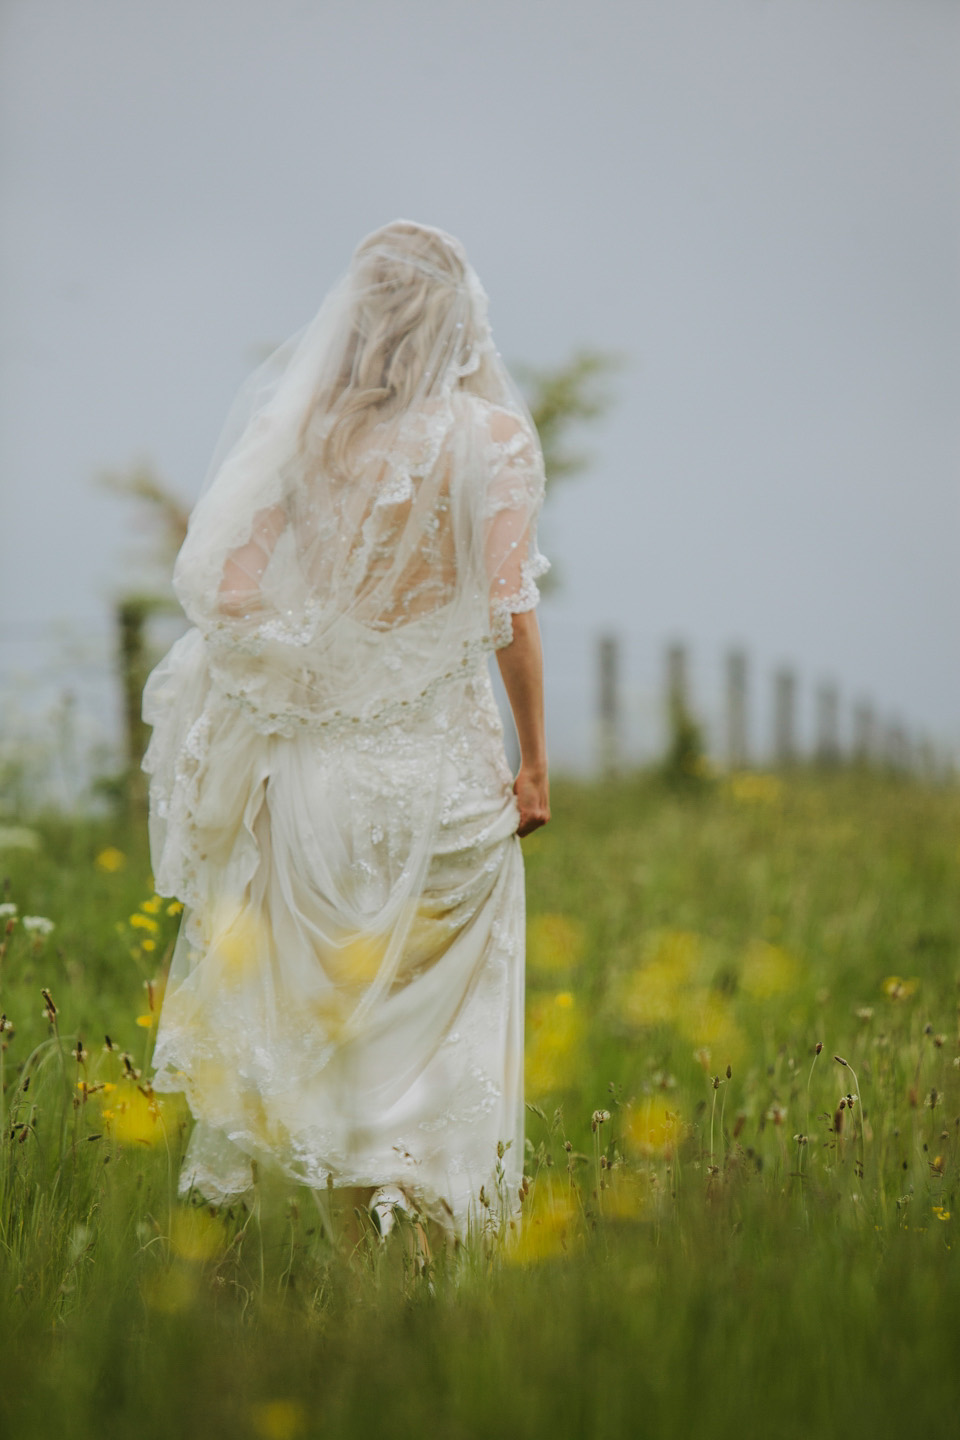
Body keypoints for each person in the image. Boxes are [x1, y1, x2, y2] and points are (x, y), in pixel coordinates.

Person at [140, 219, 551, 1250]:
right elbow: (508, 612)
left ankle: (323, 1244)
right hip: (444, 779)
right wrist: (533, 761)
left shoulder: (309, 433)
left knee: (323, 1020)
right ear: (463, 325)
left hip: (314, 777)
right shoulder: (496, 439)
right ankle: (419, 1243)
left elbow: (228, 591)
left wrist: (323, 662)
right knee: (442, 1015)